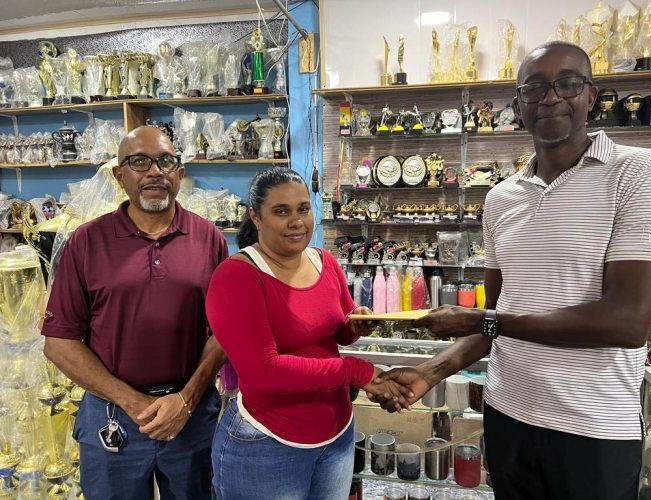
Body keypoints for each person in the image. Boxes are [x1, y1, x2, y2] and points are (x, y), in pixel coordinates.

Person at [369, 41, 651, 500]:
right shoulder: (501, 198)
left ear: (591, 96)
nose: (550, 98)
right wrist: (430, 372)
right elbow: (499, 320)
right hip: (507, 414)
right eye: (534, 88)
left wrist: (486, 320)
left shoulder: (641, 173)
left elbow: (627, 323)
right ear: (517, 106)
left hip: (593, 426)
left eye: (567, 84)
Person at [42, 126, 228, 500]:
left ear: (179, 172)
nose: (155, 171)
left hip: (189, 418)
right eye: (139, 161)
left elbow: (223, 332)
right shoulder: (86, 242)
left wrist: (187, 399)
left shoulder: (209, 238)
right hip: (112, 419)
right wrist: (131, 401)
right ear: (119, 175)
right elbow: (59, 343)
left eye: (166, 161)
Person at [205, 167, 411, 500]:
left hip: (337, 434)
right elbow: (264, 373)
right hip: (269, 441)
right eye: (281, 211)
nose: (297, 221)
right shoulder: (237, 277)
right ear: (255, 217)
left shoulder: (323, 260)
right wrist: (358, 372)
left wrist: (355, 323)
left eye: (303, 208)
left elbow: (339, 334)